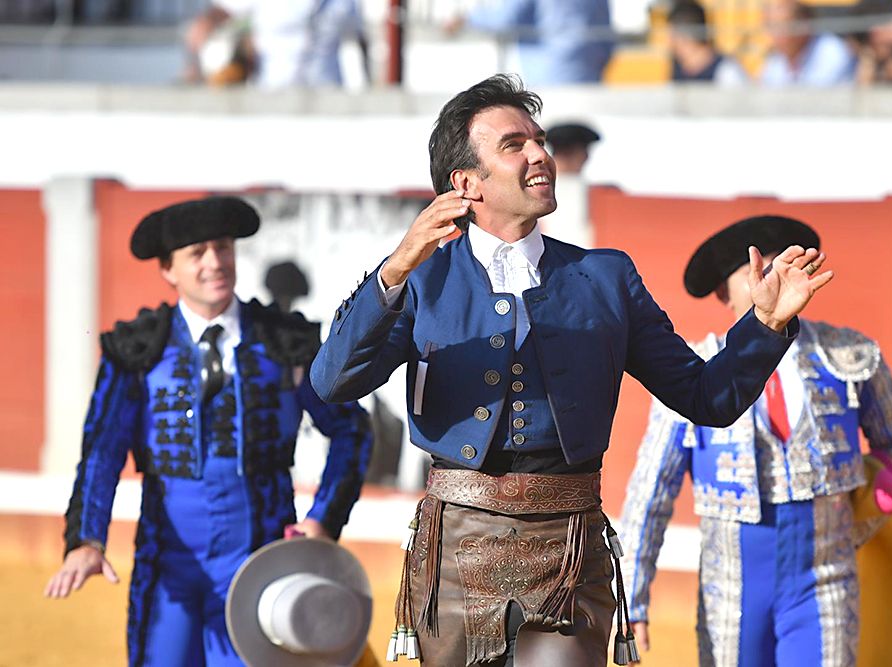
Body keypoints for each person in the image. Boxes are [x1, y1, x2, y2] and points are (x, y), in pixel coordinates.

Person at [309, 74, 833, 666]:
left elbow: (707, 396)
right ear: (465, 184)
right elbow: (333, 381)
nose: (540, 154)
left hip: (569, 545)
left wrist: (763, 327)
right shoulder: (422, 278)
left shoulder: (606, 277)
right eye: (514, 144)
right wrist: (396, 267)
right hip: (457, 548)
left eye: (539, 140)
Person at [44, 196, 373, 667]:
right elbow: (102, 453)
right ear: (168, 270)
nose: (215, 263)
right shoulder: (137, 352)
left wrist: (324, 519)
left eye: (222, 248)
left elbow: (351, 432)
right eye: (197, 253)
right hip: (168, 569)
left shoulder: (285, 343)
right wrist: (86, 539)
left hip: (261, 564)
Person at [619, 215, 892, 667]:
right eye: (754, 271)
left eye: (782, 266)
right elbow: (652, 489)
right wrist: (632, 593)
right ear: (725, 294)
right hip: (732, 583)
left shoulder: (850, 355)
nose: (772, 278)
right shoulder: (693, 369)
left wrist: (859, 509)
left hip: (825, 575)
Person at [185, 0, 368, 89]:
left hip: (326, 98)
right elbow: (212, 19)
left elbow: (363, 38)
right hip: (272, 98)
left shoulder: (343, 2)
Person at [444, 0, 614, 86]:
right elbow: (605, 26)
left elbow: (505, 19)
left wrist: (466, 19)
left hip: (548, 74)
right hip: (589, 69)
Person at [759, 0, 856, 86]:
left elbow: (816, 98)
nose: (774, 36)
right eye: (771, 27)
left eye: (781, 27)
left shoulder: (833, 53)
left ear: (804, 26)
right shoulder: (776, 60)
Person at [667, 1, 747, 86]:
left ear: (686, 37)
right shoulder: (677, 71)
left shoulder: (727, 72)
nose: (669, 42)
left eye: (673, 36)